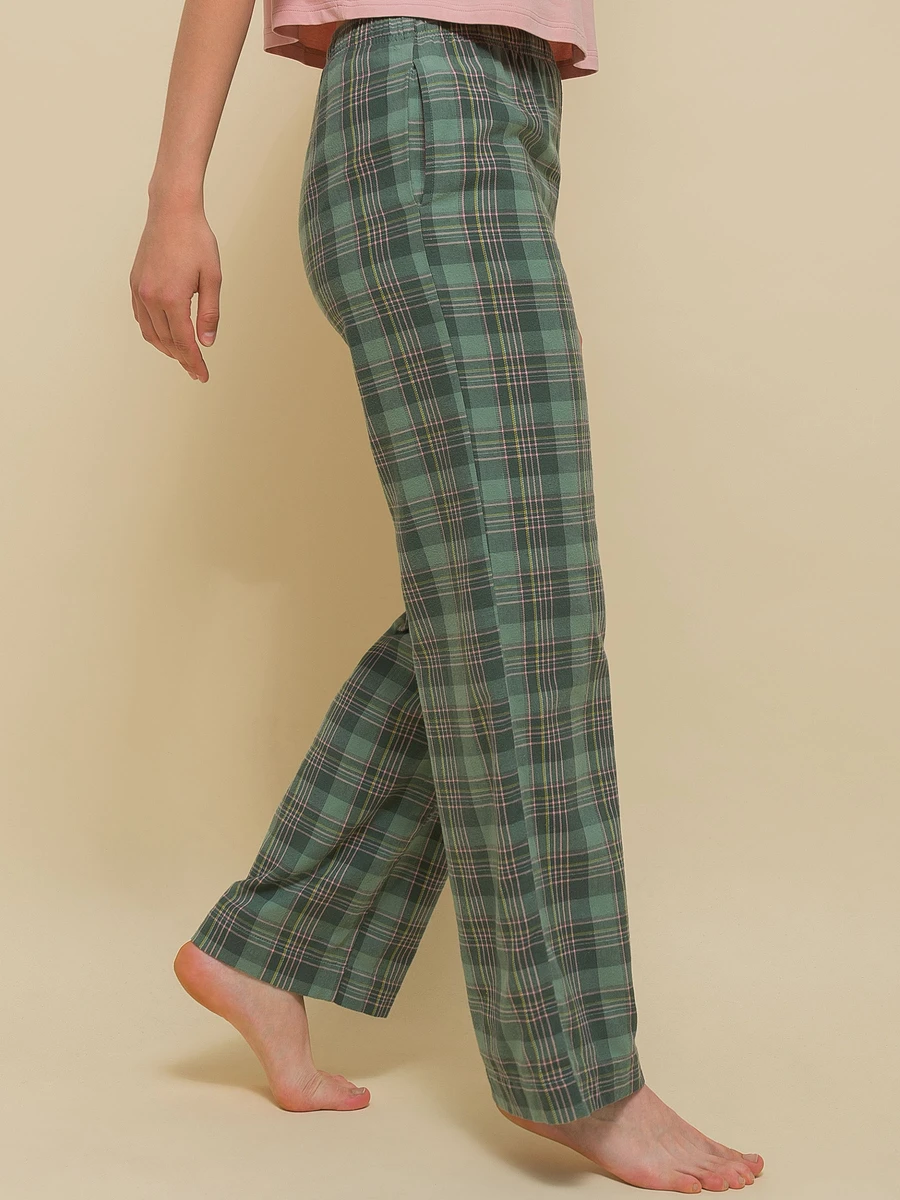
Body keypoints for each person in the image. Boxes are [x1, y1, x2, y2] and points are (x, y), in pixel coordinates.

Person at [129, 1, 765, 1192]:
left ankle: (268, 946)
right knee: (520, 598)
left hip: (511, 100)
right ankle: (578, 1077)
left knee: (496, 592)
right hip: (422, 94)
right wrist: (176, 197)